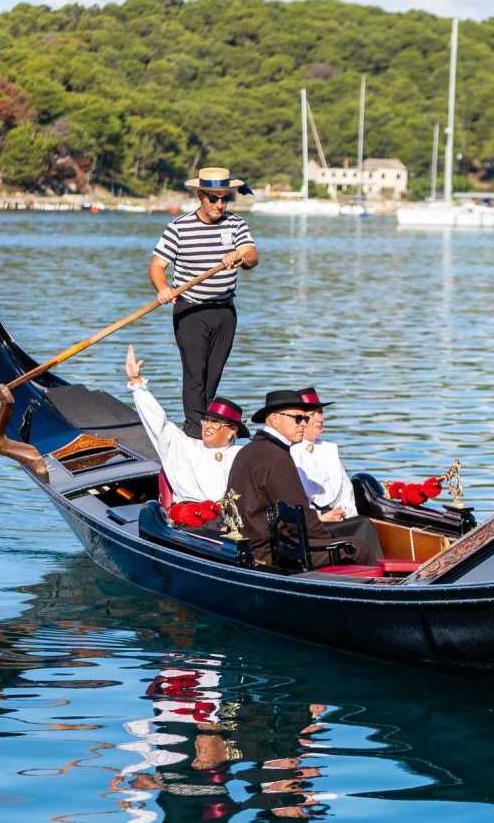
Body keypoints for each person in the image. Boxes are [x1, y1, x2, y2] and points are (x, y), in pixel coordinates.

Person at [150, 166, 258, 438]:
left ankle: (207, 429)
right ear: (200, 195)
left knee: (213, 376)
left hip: (224, 312)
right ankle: (194, 432)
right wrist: (164, 288)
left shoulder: (236, 224)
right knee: (195, 373)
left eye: (225, 198)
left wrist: (239, 256)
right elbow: (157, 266)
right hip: (190, 310)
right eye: (213, 198)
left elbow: (252, 257)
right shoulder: (179, 227)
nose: (219, 204)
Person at [225, 390, 383, 567]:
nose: (303, 424)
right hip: (269, 552)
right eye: (297, 418)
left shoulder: (249, 450)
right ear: (274, 419)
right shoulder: (276, 458)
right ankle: (379, 591)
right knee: (359, 547)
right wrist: (332, 539)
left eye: (305, 419)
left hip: (248, 545)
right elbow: (298, 518)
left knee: (352, 532)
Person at [125, 343, 247, 503]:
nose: (208, 426)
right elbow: (157, 422)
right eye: (206, 420)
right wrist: (136, 382)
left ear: (232, 430)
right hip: (187, 518)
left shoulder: (244, 450)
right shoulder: (182, 445)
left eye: (216, 422)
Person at [290, 387, 358, 519]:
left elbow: (346, 491)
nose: (320, 418)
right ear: (300, 420)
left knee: (363, 523)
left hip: (340, 517)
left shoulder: (329, 449)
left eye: (320, 412)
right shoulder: (290, 452)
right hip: (312, 523)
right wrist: (322, 518)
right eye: (312, 414)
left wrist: (343, 511)